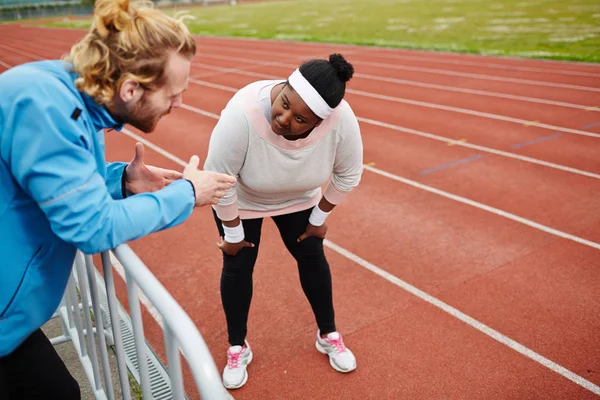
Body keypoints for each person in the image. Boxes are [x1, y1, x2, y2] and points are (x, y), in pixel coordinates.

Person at [0, 0, 236, 398]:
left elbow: (44, 181)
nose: (179, 105)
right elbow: (93, 227)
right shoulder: (47, 107)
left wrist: (122, 180)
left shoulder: (63, 96)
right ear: (130, 88)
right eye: (173, 95)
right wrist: (188, 193)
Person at [203, 53, 363, 389]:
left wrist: (319, 217)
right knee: (237, 265)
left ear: (320, 122)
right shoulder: (242, 113)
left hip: (300, 197)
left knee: (312, 255)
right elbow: (218, 178)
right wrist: (232, 233)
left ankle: (328, 334)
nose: (283, 118)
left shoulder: (340, 120)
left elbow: (349, 173)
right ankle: (237, 345)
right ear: (283, 86)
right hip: (243, 199)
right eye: (284, 102)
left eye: (300, 119)